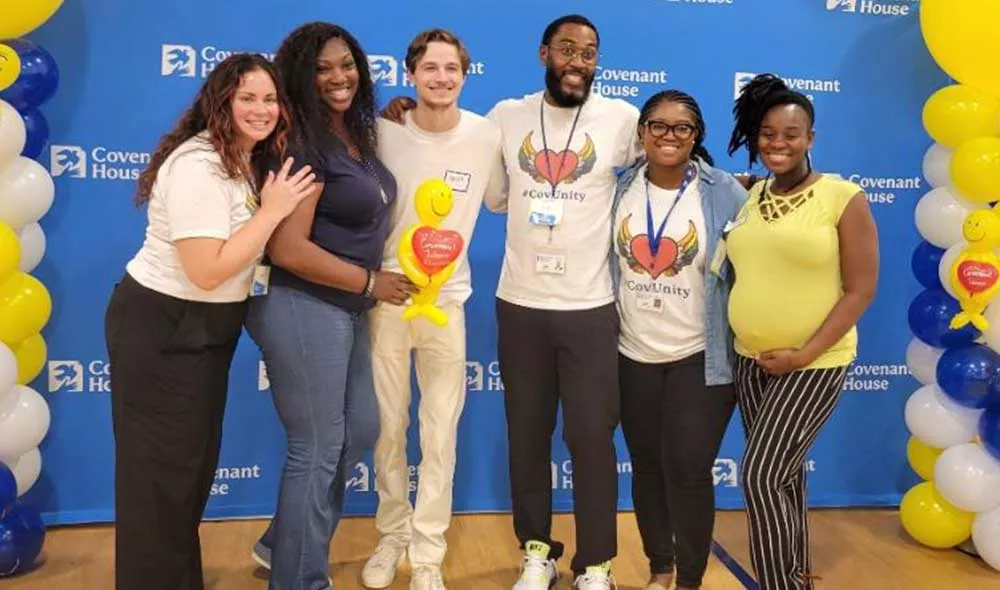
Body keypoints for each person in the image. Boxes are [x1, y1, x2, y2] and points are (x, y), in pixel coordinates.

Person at [105, 53, 314, 590]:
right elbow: (205, 270)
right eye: (247, 97)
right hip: (165, 326)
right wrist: (271, 212)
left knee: (185, 478)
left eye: (270, 99)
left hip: (204, 333)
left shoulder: (244, 158)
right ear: (220, 101)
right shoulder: (198, 164)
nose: (261, 109)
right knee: (160, 482)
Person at [244, 22, 416, 590]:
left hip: (346, 308)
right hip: (302, 304)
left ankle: (280, 542)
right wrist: (370, 283)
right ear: (301, 75)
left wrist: (395, 117)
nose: (339, 77)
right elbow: (287, 247)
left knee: (360, 429)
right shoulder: (302, 144)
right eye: (323, 69)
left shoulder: (356, 133)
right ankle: (299, 579)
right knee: (316, 449)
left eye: (347, 64)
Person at [484, 14, 641, 590]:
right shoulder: (506, 117)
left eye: (590, 52)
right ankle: (536, 552)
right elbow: (493, 193)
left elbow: (672, 160)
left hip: (591, 306)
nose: (578, 61)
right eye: (567, 49)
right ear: (544, 52)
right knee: (526, 431)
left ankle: (595, 563)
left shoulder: (622, 120)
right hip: (520, 302)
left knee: (591, 437)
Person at [360, 28, 503, 590]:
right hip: (389, 300)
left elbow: (499, 197)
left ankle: (427, 557)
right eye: (430, 67)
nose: (441, 78)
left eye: (452, 68)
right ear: (411, 73)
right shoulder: (383, 133)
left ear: (465, 74)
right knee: (389, 428)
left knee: (440, 432)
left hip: (448, 303)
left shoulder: (485, 135)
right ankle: (390, 535)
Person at [724, 73, 878, 590]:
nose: (778, 144)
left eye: (791, 134)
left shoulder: (842, 197)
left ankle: (778, 585)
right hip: (750, 359)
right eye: (767, 134)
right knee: (783, 478)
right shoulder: (747, 194)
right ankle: (795, 577)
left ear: (811, 138)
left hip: (814, 362)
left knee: (761, 475)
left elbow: (860, 290)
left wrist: (804, 353)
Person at [611, 90, 746, 590]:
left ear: (696, 136)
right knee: (646, 466)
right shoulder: (617, 188)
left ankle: (689, 576)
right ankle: (659, 568)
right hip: (631, 351)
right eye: (658, 125)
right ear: (642, 131)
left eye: (682, 128)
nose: (669, 136)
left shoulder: (725, 191)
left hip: (700, 354)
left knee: (687, 468)